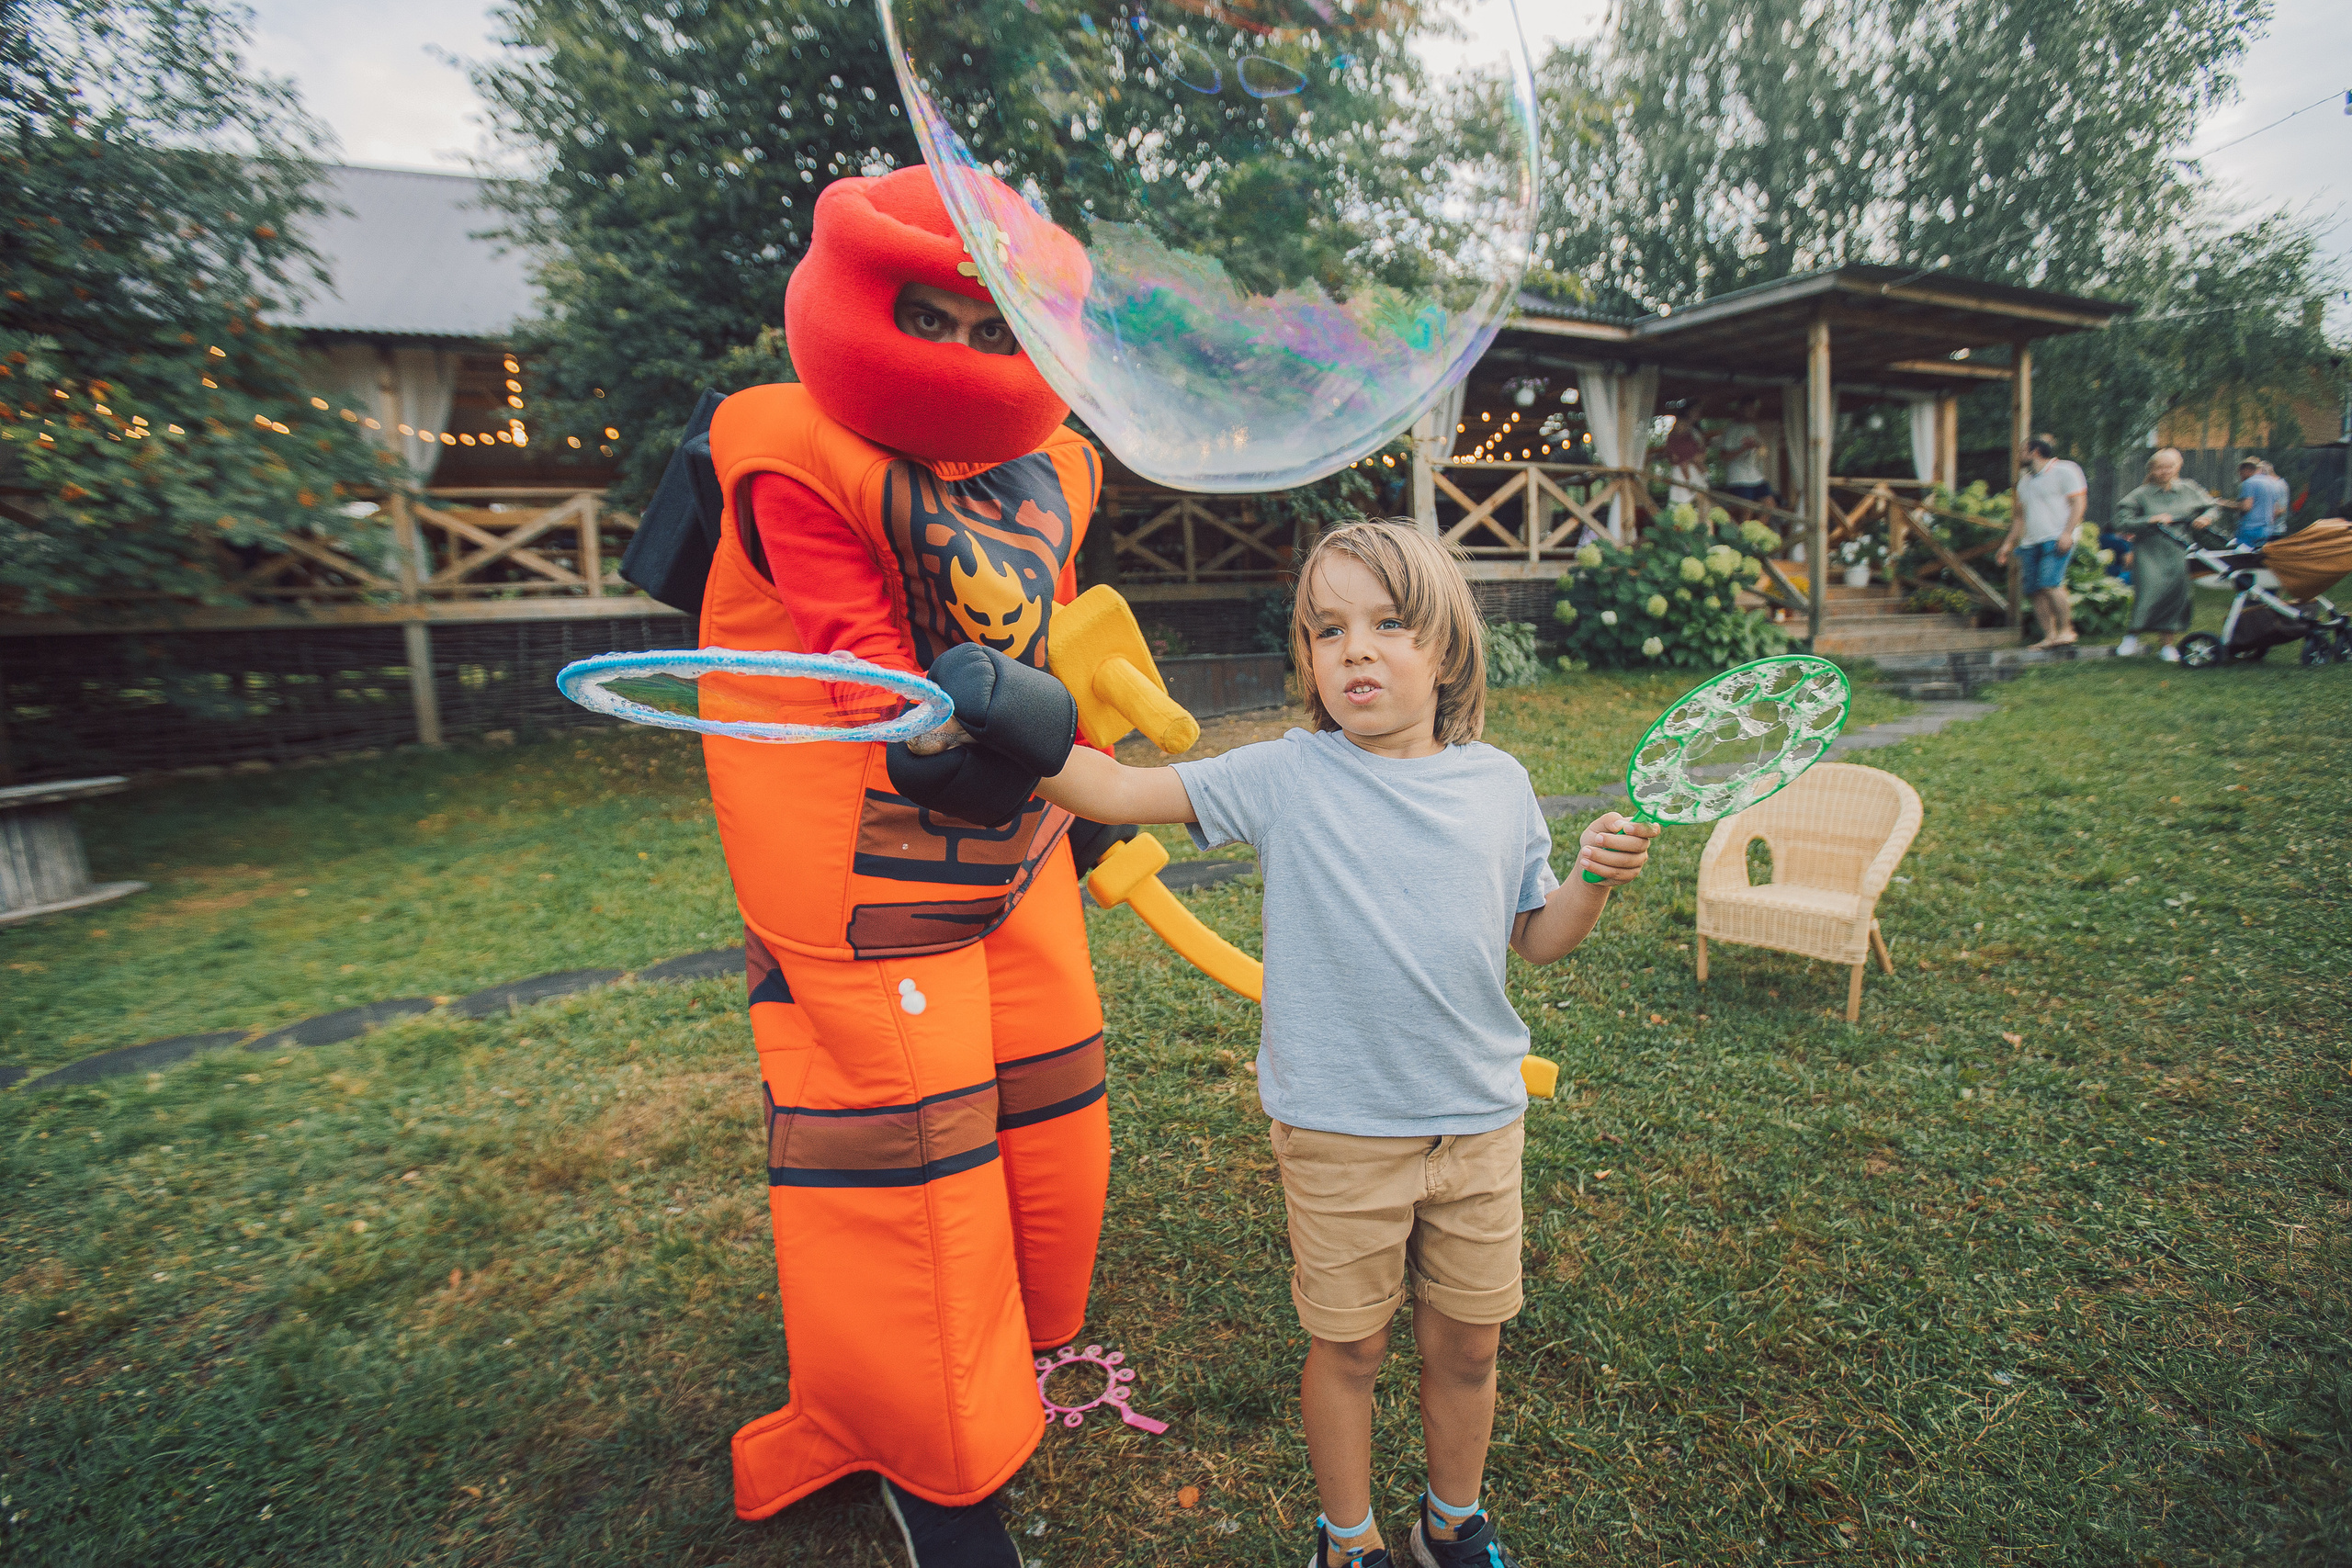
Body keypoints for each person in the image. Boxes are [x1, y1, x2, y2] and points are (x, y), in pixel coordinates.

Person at [909, 520, 1657, 1568]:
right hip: (1340, 1128)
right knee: (1349, 1346)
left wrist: (1592, 883)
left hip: (1479, 1126)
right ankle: (1346, 1542)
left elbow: (1537, 941)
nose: (1355, 648)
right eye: (1326, 629)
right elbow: (1119, 795)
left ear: (1445, 651)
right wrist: (1016, 734)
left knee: (1470, 1346)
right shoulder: (1287, 776)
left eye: (1389, 624)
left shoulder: (1498, 787)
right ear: (1306, 658)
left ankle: (1451, 1527)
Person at [699, 166, 1127, 1567]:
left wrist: (1094, 766)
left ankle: (1038, 1322)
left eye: (987, 320)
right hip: (864, 862)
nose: (959, 350)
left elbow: (1049, 627)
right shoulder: (786, 451)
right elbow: (861, 675)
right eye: (930, 315)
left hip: (1017, 839)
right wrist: (971, 732)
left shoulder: (1053, 462)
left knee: (1053, 1080)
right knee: (908, 1148)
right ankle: (927, 1452)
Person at [2111, 446, 2222, 660]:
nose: (2165, 471)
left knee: (2176, 595)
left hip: (2179, 549)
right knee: (2149, 592)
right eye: (2160, 467)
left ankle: (2167, 645)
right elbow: (2121, 521)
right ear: (2152, 469)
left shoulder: (2189, 489)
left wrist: (2206, 518)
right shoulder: (2141, 494)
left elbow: (2213, 507)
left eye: (2169, 466)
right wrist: (2148, 520)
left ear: (2178, 467)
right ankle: (2132, 638)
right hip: (2149, 551)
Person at [1995, 433, 2086, 649]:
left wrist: (2067, 533)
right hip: (2029, 543)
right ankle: (2050, 636)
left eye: (2021, 451)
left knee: (2050, 584)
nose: (2017, 456)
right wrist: (2007, 545)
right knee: (2034, 590)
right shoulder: (2024, 482)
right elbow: (2019, 517)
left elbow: (2078, 503)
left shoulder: (2065, 470)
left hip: (2055, 538)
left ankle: (2067, 631)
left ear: (2035, 452)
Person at [1718, 396, 1775, 514]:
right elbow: (1724, 456)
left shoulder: (1752, 428)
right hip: (1738, 476)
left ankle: (1756, 532)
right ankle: (1737, 527)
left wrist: (1759, 447)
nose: (1753, 412)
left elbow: (1762, 450)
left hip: (1753, 474)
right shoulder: (1732, 429)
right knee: (1747, 509)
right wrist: (1744, 448)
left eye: (1754, 409)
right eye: (1749, 409)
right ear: (1741, 410)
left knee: (1769, 504)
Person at [2225, 455, 2291, 549]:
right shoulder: (2273, 483)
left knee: (2243, 559)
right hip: (2267, 530)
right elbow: (2276, 509)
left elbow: (2246, 507)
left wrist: (2226, 505)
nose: (2239, 476)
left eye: (2240, 472)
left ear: (2246, 470)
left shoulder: (2249, 483)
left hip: (2250, 529)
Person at [1661, 399, 1712, 505]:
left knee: (1702, 499)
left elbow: (1702, 452)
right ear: (1688, 412)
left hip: (1695, 467)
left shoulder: (1695, 432)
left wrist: (1697, 458)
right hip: (1680, 468)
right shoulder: (1675, 433)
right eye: (1695, 410)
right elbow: (1671, 453)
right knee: (1682, 503)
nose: (1698, 413)